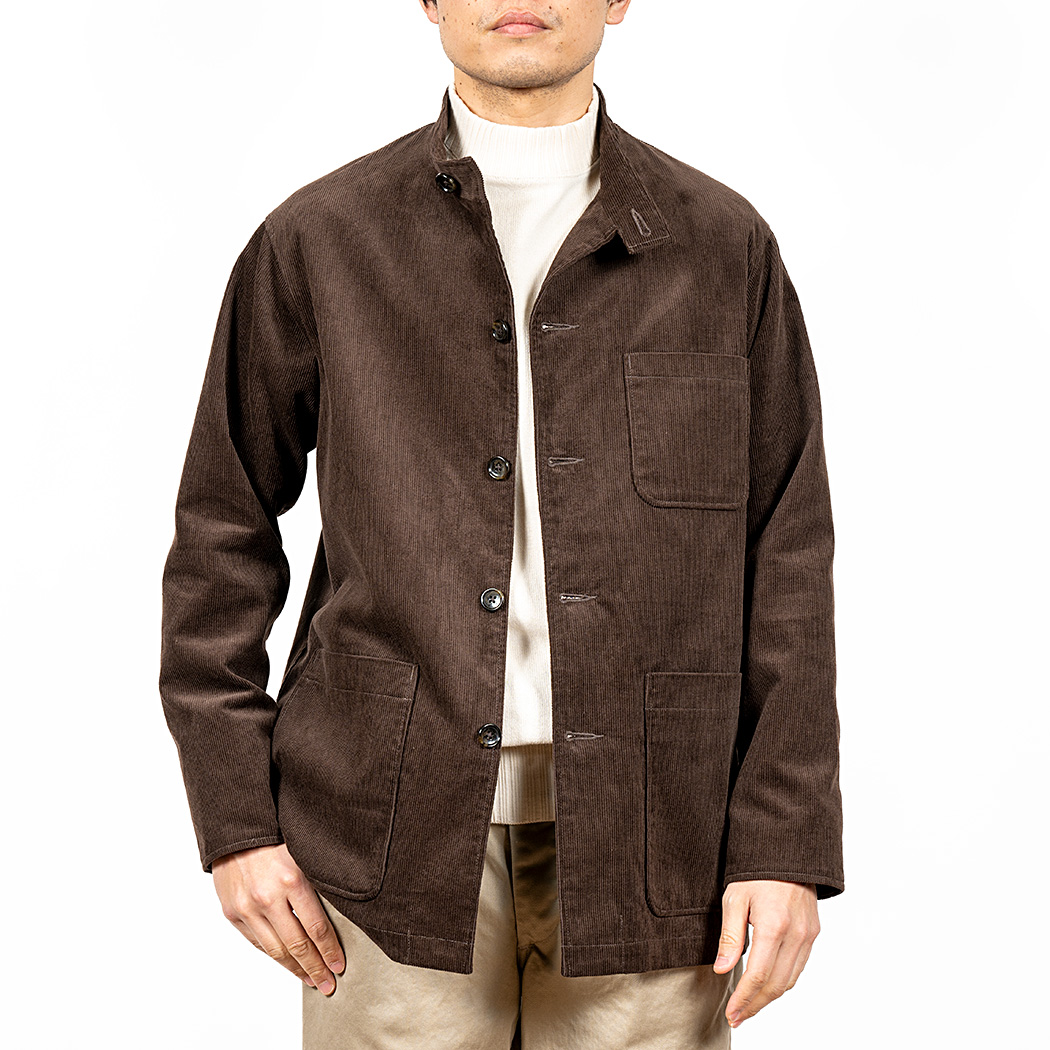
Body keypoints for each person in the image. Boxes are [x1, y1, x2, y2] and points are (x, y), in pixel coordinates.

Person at [159, 1, 844, 1046]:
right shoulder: (322, 239)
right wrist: (237, 823)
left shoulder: (720, 245)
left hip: (661, 834)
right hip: (383, 830)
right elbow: (221, 531)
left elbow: (787, 551)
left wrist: (783, 841)